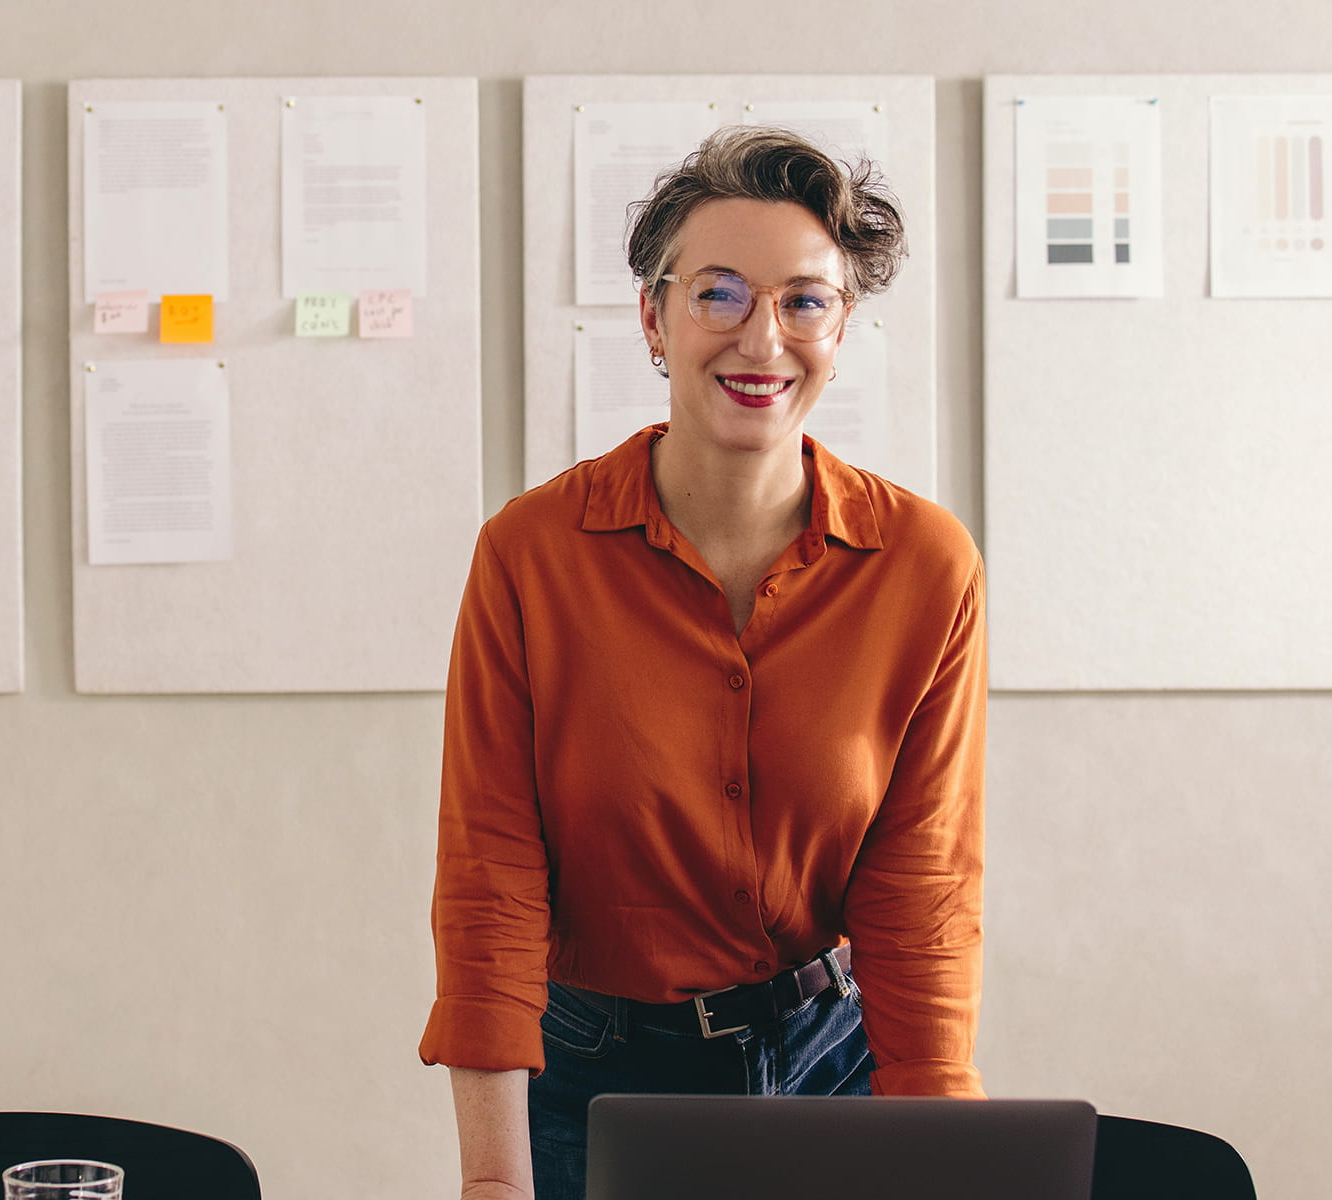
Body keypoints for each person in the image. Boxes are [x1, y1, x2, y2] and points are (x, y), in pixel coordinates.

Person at [420, 126, 988, 1200]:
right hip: (593, 1073)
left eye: (804, 300)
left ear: (842, 323)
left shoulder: (924, 565)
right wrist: (493, 1182)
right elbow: (489, 879)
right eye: (719, 294)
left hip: (838, 1059)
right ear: (654, 317)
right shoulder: (532, 555)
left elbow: (923, 893)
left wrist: (938, 1155)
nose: (762, 339)